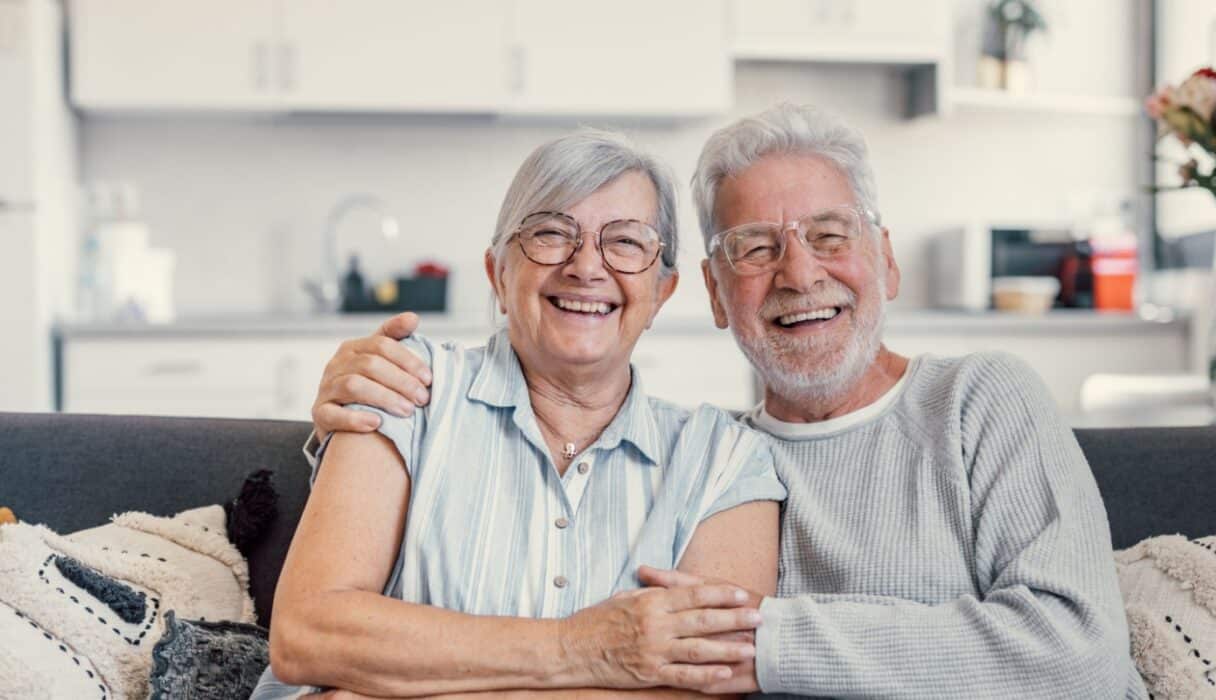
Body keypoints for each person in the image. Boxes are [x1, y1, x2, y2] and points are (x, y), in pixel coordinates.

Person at [311, 104, 1147, 698]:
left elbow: (1080, 657)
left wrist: (766, 645)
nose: (799, 274)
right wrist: (344, 425)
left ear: (885, 261)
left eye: (829, 235)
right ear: (712, 294)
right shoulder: (724, 461)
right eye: (755, 247)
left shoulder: (978, 400)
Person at [252, 129, 787, 699]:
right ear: (498, 276)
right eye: (552, 233)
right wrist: (585, 647)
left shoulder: (724, 460)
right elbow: (308, 635)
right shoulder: (406, 385)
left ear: (662, 292)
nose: (586, 266)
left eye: (626, 243)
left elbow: (708, 686)